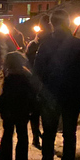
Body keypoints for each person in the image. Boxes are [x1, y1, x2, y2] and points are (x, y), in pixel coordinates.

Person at [33, 9, 80, 160]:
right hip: (72, 96)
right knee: (69, 134)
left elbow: (37, 72)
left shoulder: (45, 45)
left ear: (52, 23)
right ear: (67, 22)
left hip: (50, 95)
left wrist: (38, 93)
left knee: (49, 134)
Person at [0, 52, 36, 160]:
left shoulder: (10, 76)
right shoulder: (27, 75)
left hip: (9, 110)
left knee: (8, 134)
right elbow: (32, 94)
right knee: (22, 134)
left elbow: (4, 96)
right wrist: (32, 108)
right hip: (23, 109)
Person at [25, 14, 51, 150]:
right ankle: (40, 137)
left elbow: (27, 61)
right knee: (41, 113)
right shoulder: (40, 43)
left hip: (37, 82)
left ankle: (37, 136)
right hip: (45, 83)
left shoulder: (36, 44)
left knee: (36, 113)